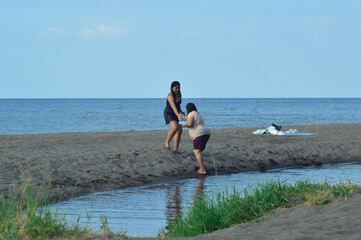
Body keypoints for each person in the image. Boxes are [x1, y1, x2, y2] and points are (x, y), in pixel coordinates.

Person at [181, 103, 211, 175]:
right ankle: (202, 167)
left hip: (199, 134)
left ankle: (202, 170)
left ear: (188, 109)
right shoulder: (197, 113)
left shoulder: (191, 114)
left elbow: (190, 124)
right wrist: (184, 118)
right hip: (206, 132)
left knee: (196, 152)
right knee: (199, 151)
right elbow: (191, 119)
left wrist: (183, 125)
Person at [164, 81, 183, 153]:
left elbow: (178, 104)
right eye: (176, 88)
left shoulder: (179, 94)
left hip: (176, 113)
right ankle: (167, 142)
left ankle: (175, 149)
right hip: (169, 113)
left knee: (179, 129)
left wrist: (180, 111)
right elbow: (174, 107)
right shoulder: (170, 96)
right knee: (175, 127)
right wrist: (178, 115)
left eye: (178, 88)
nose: (177, 89)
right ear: (172, 88)